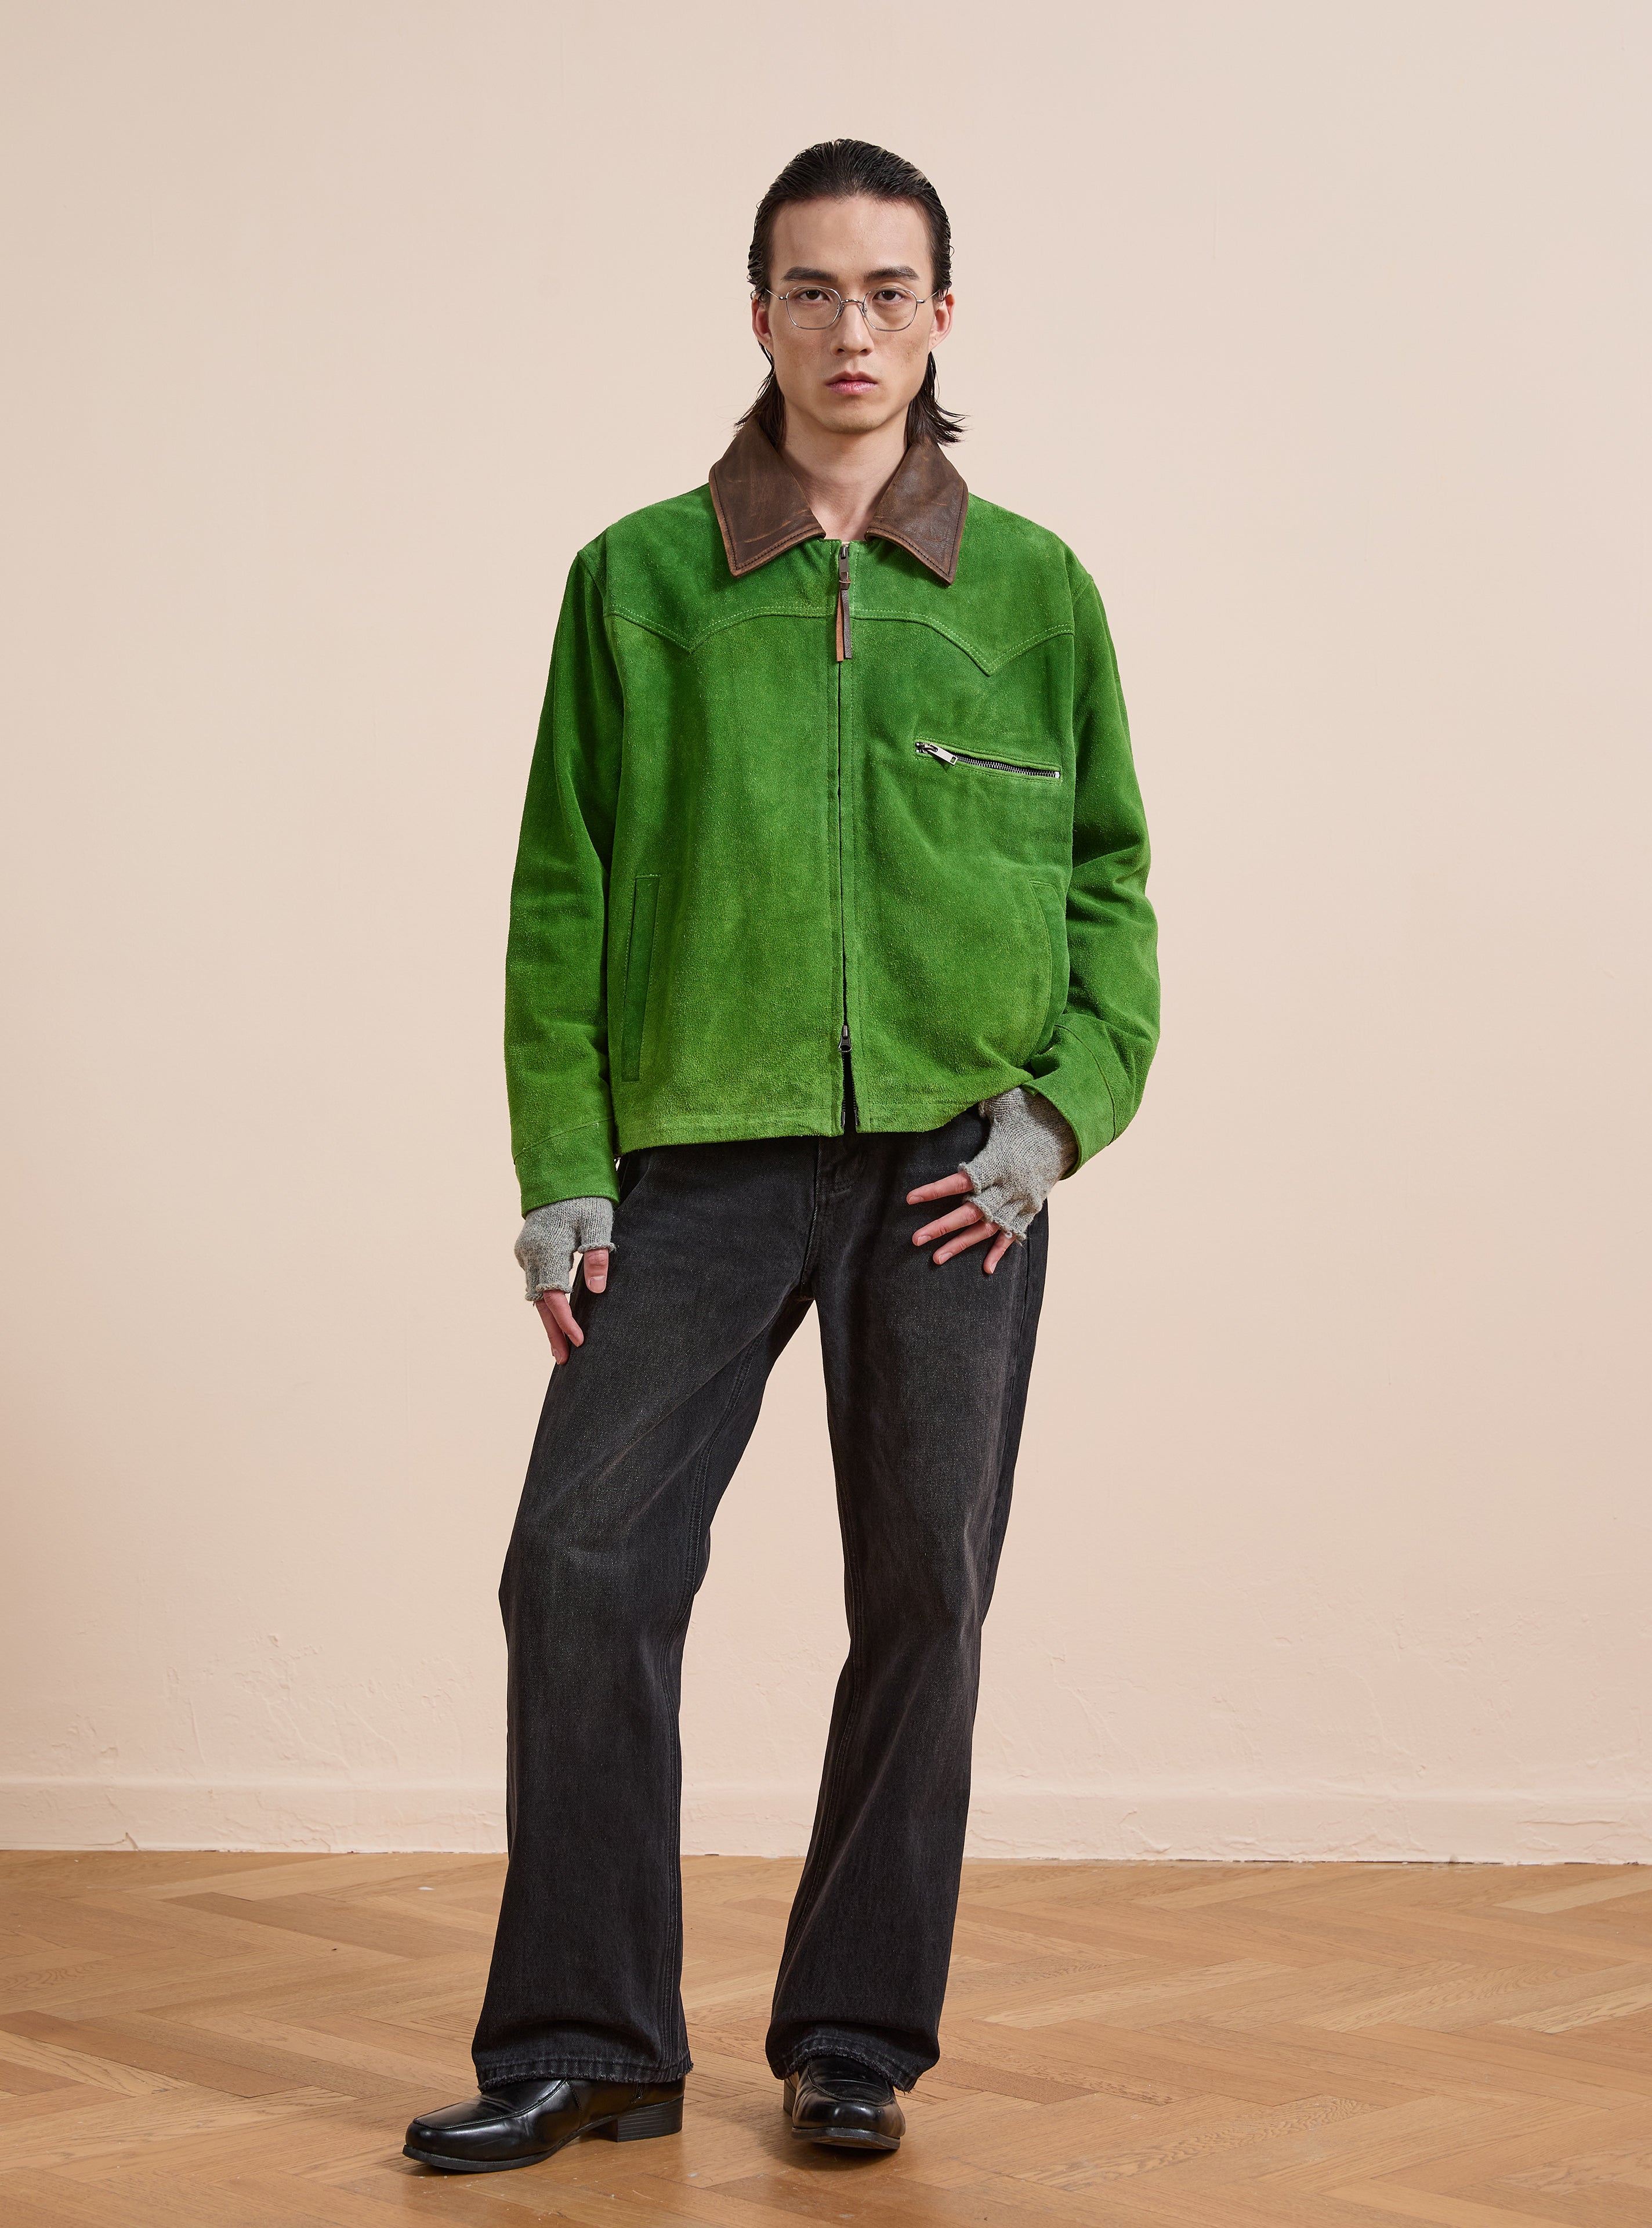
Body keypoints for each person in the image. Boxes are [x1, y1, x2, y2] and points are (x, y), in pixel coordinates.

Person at [403, 138, 1160, 2176]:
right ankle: (585, 2038)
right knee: (578, 1563)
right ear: (757, 315)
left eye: (889, 290)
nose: (852, 329)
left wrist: (1057, 1109)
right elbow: (559, 893)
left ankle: (854, 2038)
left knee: (928, 1587)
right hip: (704, 1159)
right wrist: (564, 1162)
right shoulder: (639, 579)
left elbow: (1113, 888)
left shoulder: (1032, 590)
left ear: (941, 317)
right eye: (811, 290)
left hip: (951, 1172)